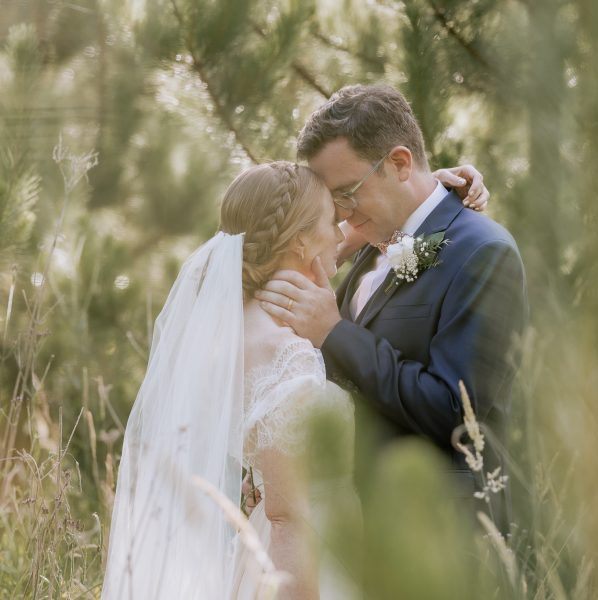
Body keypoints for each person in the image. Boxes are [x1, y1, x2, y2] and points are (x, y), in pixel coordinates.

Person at [101, 160, 488, 599]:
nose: (342, 234)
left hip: (279, 551)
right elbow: (288, 520)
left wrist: (422, 189)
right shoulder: (286, 350)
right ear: (301, 240)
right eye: (330, 221)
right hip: (308, 567)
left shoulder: (236, 327)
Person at [256, 84, 528, 516]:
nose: (341, 212)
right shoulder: (370, 244)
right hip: (357, 526)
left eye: (348, 192)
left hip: (439, 533)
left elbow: (457, 412)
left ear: (400, 163)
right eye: (333, 201)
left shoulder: (481, 252)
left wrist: (335, 332)